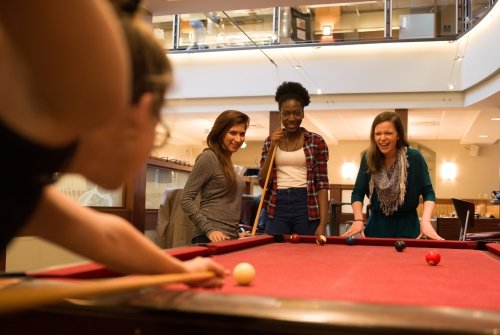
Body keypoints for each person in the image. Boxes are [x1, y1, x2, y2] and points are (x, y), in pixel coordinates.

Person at [2, 0, 226, 287]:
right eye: (160, 132)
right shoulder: (102, 93)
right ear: (144, 111)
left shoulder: (21, 181)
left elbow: (110, 236)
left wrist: (181, 270)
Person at [343, 111, 443, 240]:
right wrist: (358, 219)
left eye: (388, 133)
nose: (382, 138)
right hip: (376, 228)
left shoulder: (414, 157)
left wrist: (425, 221)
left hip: (409, 229)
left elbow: (428, 193)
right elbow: (357, 193)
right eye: (378, 134)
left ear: (398, 135)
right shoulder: (367, 158)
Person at [258, 81, 330, 236]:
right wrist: (271, 149)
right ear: (280, 114)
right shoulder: (270, 141)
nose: (292, 118)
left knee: (307, 254)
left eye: (297, 113)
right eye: (286, 113)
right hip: (277, 206)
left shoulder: (316, 141)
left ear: (303, 113)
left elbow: (322, 185)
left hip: (306, 205)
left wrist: (323, 224)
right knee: (273, 252)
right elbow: (263, 181)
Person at [181, 110, 251, 244]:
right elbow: (185, 199)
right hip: (208, 237)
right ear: (220, 133)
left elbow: (225, 204)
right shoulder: (209, 157)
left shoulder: (228, 163)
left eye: (242, 134)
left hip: (228, 237)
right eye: (233, 133)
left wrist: (236, 233)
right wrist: (209, 230)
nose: (238, 139)